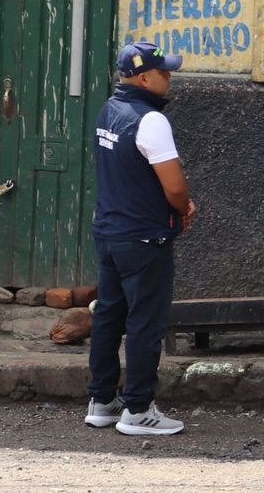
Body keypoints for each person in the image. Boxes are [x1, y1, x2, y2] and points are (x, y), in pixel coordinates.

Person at [85, 42, 194, 436]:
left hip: (109, 232)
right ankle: (138, 409)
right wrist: (183, 209)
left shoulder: (109, 110)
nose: (169, 76)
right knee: (145, 323)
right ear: (144, 78)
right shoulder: (151, 120)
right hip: (144, 237)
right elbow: (175, 186)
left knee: (108, 317)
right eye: (163, 71)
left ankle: (101, 401)